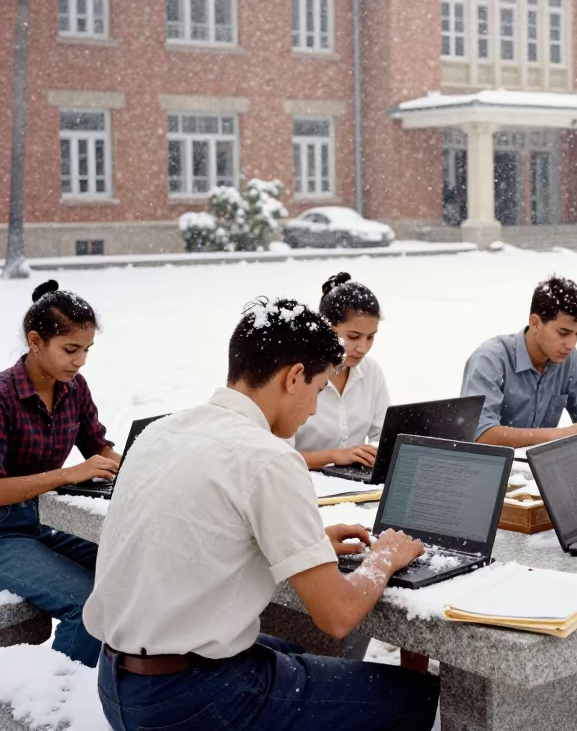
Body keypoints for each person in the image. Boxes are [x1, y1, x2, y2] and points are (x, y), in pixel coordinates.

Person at [84, 297, 438, 731]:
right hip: (191, 701)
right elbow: (337, 616)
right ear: (294, 378)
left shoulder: (161, 431)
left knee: (289, 651)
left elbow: (196, 534)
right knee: (413, 695)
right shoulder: (269, 458)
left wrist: (307, 544)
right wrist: (385, 555)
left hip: (117, 682)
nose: (312, 409)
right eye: (319, 390)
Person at [0, 280, 121, 666]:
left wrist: (116, 460)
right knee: (85, 602)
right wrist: (66, 475)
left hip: (50, 522)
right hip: (4, 533)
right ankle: (60, 711)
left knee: (131, 567)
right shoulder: (2, 397)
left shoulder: (74, 388)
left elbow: (97, 444)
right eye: (70, 350)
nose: (80, 361)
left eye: (86, 350)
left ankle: (126, 683)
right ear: (35, 341)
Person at [461, 275, 577, 447]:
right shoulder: (490, 359)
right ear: (535, 323)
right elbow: (481, 434)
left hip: (541, 467)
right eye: (563, 333)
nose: (571, 345)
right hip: (493, 469)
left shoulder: (570, 360)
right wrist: (557, 435)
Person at [292, 273, 389, 473]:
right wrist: (333, 456)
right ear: (326, 328)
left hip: (356, 485)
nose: (362, 348)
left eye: (371, 337)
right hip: (304, 483)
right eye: (353, 337)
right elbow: (276, 455)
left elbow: (384, 439)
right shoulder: (298, 375)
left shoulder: (371, 371)